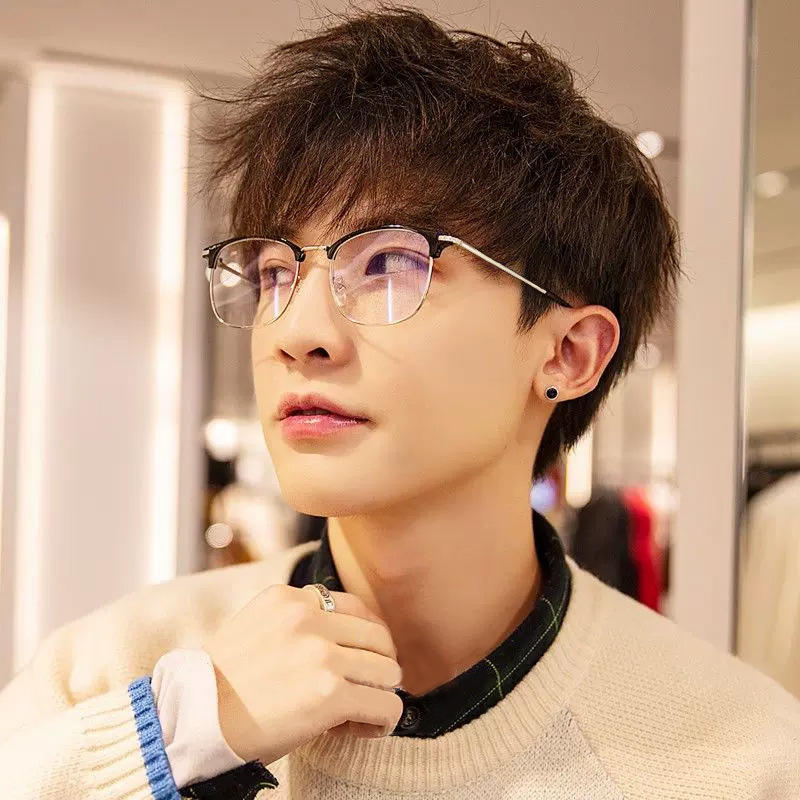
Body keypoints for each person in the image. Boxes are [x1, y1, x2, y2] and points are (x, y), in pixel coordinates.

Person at [2, 5, 799, 799]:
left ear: (568, 352)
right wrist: (179, 740)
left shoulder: (735, 757)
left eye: (390, 265)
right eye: (275, 272)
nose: (296, 333)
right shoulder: (110, 674)